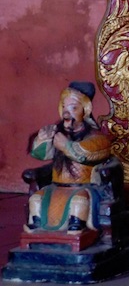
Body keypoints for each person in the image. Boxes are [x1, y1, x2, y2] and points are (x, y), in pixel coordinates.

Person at [25, 82, 112, 233]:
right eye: (64, 107)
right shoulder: (58, 134)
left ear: (85, 110)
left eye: (73, 108)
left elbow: (89, 152)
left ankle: (77, 223)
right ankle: (37, 222)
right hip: (57, 187)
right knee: (36, 198)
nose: (66, 113)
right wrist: (43, 139)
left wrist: (67, 147)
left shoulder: (96, 137)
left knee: (79, 200)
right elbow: (41, 155)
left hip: (84, 187)